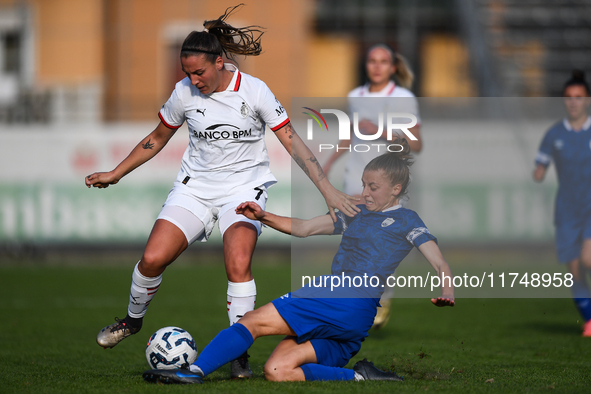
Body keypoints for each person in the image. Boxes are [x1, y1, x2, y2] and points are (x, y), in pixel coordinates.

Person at [85, 4, 358, 379]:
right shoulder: (183, 93)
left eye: (199, 72)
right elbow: (157, 137)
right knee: (151, 259)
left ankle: (239, 352)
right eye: (187, 73)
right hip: (194, 188)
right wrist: (116, 173)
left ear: (218, 63)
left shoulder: (255, 91)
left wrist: (326, 189)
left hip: (244, 189)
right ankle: (131, 323)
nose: (193, 80)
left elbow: (292, 141)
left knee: (238, 262)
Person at [142, 139, 455, 384]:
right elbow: (305, 228)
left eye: (373, 187)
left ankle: (193, 371)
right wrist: (264, 216)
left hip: (342, 296)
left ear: (396, 189)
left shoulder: (406, 220)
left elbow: (438, 261)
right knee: (277, 369)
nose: (364, 192)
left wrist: (447, 289)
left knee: (251, 321)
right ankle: (361, 376)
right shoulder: (354, 214)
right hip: (355, 320)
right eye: (363, 184)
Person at [323, 44, 422, 329]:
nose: (377, 66)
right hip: (355, 178)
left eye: (383, 62)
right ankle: (355, 303)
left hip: (387, 179)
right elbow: (351, 133)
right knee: (353, 239)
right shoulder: (356, 96)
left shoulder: (403, 98)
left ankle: (382, 296)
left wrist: (378, 131)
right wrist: (328, 164)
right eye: (372, 61)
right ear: (366, 65)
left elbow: (414, 143)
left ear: (393, 67)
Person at [534, 70, 591, 337]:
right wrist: (538, 171)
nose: (573, 102)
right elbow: (540, 167)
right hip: (567, 210)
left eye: (578, 97)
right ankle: (590, 321)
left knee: (588, 258)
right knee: (575, 270)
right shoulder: (554, 133)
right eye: (569, 98)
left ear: (587, 100)